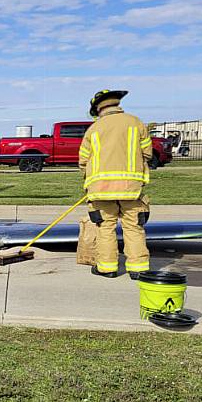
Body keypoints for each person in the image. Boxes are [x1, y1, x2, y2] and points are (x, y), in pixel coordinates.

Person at [79, 90, 152, 279]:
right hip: (131, 189)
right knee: (133, 227)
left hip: (100, 190)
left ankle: (107, 268)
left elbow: (83, 161)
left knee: (105, 228)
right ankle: (138, 269)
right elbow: (147, 153)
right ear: (117, 104)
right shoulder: (136, 123)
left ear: (98, 109)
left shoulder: (93, 129)